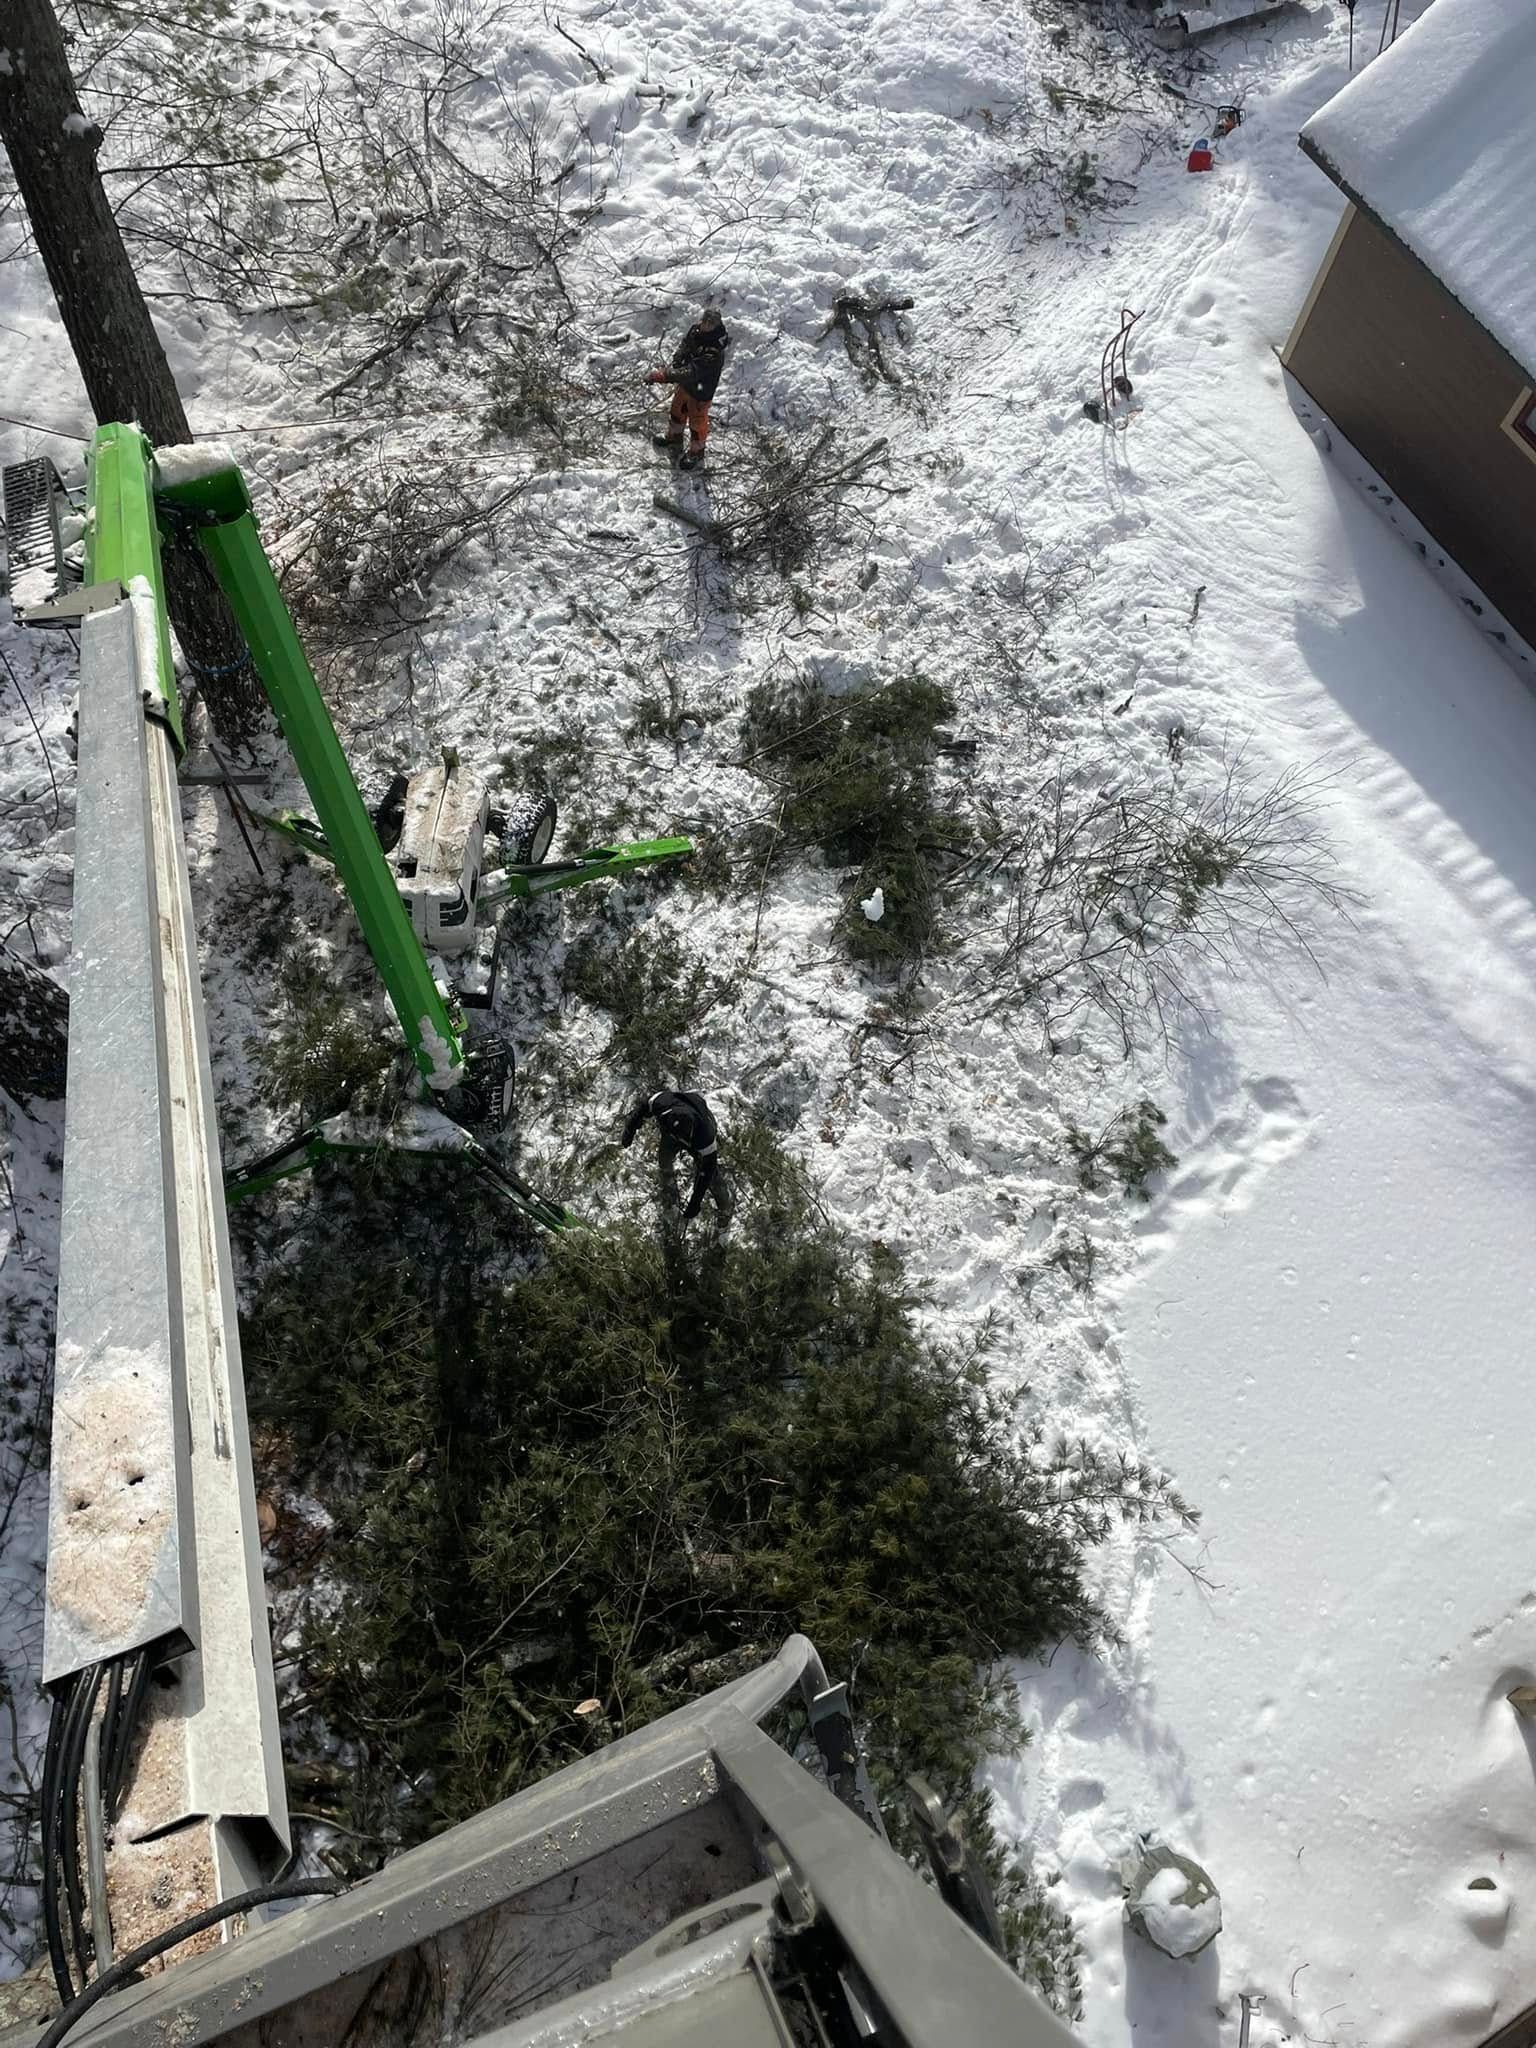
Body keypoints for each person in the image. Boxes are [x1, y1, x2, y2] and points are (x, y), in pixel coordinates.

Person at [620, 1087, 733, 1221]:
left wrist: (695, 1202)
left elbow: (707, 1172)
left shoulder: (705, 1136)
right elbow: (642, 1109)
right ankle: (669, 1189)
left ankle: (725, 1207)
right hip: (672, 1128)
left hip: (697, 1127)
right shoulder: (661, 1103)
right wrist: (629, 1131)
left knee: (712, 1175)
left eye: (681, 1138)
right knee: (664, 1158)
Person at [648, 307, 731, 471]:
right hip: (686, 385)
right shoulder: (695, 330)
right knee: (677, 411)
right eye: (705, 319)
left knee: (697, 423)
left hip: (701, 391)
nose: (706, 324)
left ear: (716, 325)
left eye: (711, 322)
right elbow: (685, 345)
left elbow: (692, 371)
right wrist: (678, 358)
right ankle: (674, 437)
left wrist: (664, 375)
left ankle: (697, 452)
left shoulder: (714, 351)